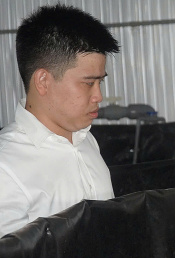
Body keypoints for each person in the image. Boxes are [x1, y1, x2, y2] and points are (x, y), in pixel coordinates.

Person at [0, 4, 119, 237]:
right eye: (88, 83)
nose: (99, 96)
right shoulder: (5, 167)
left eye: (100, 82)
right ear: (43, 81)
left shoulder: (85, 140)